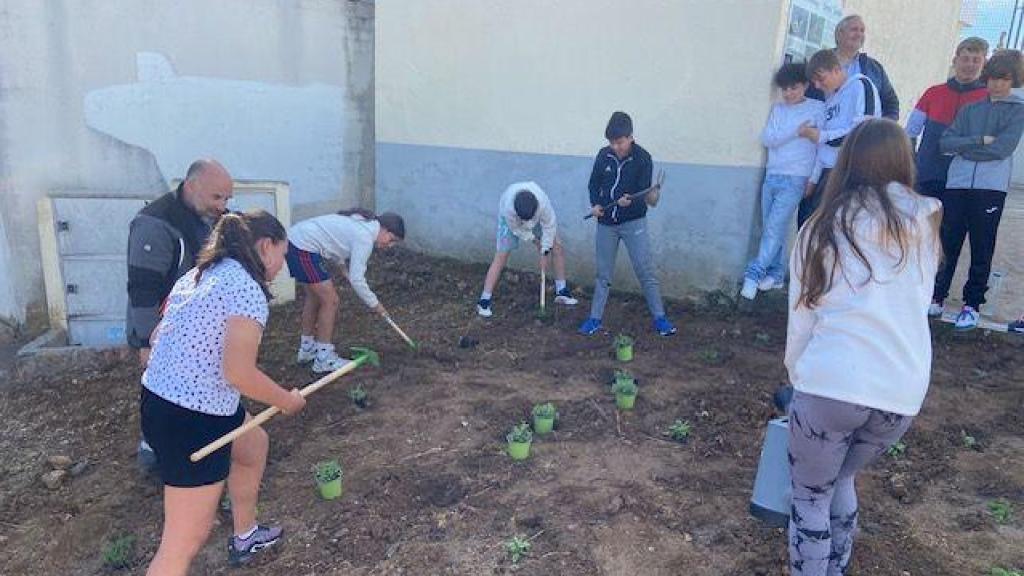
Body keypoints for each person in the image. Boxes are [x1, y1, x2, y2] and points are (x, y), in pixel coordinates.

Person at [785, 119, 941, 576]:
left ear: (847, 161)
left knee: (810, 498)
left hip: (832, 384)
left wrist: (798, 377)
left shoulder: (821, 227)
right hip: (901, 392)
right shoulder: (925, 227)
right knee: (844, 478)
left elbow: (802, 316)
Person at [141, 210, 306, 574]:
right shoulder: (246, 289)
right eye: (282, 255)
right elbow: (239, 373)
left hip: (164, 401)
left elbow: (156, 338)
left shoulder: (200, 275)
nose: (282, 267)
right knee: (185, 540)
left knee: (252, 445)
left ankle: (245, 535)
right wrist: (286, 400)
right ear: (266, 247)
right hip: (192, 420)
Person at [127, 159, 233, 476]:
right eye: (217, 198)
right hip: (159, 324)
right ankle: (152, 449)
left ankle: (188, 440)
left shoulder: (204, 217)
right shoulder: (155, 224)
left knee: (187, 381)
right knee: (161, 386)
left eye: (227, 199)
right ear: (192, 186)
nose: (223, 206)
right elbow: (143, 287)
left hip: (189, 321)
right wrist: (147, 342)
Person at [930, 49, 1024, 330]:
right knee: (948, 242)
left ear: (1013, 81)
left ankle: (971, 305)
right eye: (993, 78)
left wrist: (967, 148)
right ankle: (936, 296)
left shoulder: (1017, 111)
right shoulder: (971, 108)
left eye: (1004, 79)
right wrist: (980, 140)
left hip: (990, 188)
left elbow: (1002, 149)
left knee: (982, 246)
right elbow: (946, 143)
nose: (997, 84)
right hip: (957, 184)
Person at [578, 111, 676, 337]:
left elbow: (643, 194)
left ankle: (660, 319)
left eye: (620, 142)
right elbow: (594, 183)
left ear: (630, 137)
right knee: (603, 274)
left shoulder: (643, 159)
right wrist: (595, 205)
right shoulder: (604, 155)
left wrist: (629, 200)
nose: (615, 147)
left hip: (634, 223)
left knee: (645, 271)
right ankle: (594, 319)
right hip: (605, 223)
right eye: (612, 143)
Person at [741, 63, 824, 300]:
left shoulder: (817, 109)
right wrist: (795, 133)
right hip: (772, 174)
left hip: (796, 177)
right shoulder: (778, 109)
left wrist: (814, 177)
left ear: (806, 86)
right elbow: (768, 139)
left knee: (774, 227)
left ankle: (754, 274)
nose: (789, 93)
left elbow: (821, 148)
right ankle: (776, 274)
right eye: (785, 89)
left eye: (794, 88)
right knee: (771, 227)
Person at [286, 209, 405, 372]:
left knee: (314, 298)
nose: (389, 245)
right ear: (384, 229)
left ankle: (307, 349)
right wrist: (375, 304)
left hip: (295, 241)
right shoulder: (365, 237)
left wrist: (341, 265)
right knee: (331, 301)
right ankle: (323, 358)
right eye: (391, 240)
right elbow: (357, 280)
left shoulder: (361, 223)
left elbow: (334, 239)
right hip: (303, 247)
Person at [797, 49, 881, 228]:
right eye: (814, 82)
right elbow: (823, 146)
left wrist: (821, 136)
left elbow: (862, 131)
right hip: (825, 176)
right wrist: (813, 179)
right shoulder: (830, 101)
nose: (818, 86)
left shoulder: (861, 86)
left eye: (821, 79)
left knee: (834, 232)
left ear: (836, 69)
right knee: (808, 227)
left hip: (849, 172)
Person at [476, 181, 579, 317]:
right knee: (502, 255)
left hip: (537, 217)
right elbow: (517, 229)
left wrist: (545, 250)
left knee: (557, 246)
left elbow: (549, 226)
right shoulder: (508, 209)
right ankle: (484, 300)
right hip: (512, 223)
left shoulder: (543, 204)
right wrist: (535, 241)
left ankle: (562, 291)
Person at [906, 37, 989, 200]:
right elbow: (910, 132)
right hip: (927, 175)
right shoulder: (933, 93)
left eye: (976, 60)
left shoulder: (988, 99)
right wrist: (912, 163)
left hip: (964, 180)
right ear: (955, 60)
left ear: (983, 64)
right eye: (965, 59)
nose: (970, 65)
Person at [807, 15, 899, 120]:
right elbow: (807, 97)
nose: (859, 34)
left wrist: (883, 128)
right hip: (824, 130)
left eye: (862, 31)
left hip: (861, 132)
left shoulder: (875, 69)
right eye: (854, 29)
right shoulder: (820, 62)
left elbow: (891, 103)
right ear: (839, 34)